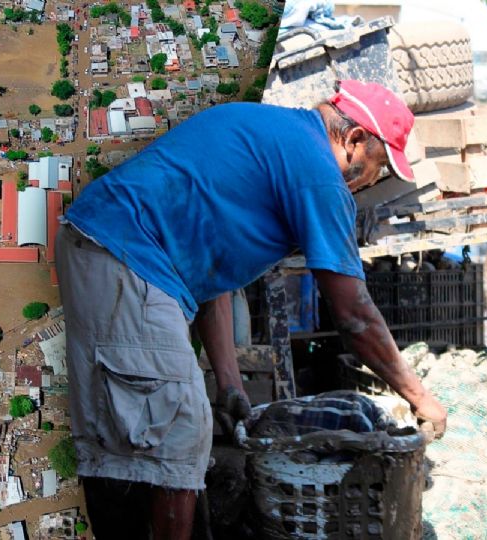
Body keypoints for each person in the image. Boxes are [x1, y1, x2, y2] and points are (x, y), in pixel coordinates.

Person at [55, 80, 448, 539]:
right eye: (377, 169)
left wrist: (230, 384)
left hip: (113, 250)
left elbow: (211, 278)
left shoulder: (276, 134)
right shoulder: (318, 173)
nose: (369, 182)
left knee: (143, 439)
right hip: (126, 255)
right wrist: (420, 398)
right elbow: (353, 314)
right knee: (178, 432)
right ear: (354, 140)